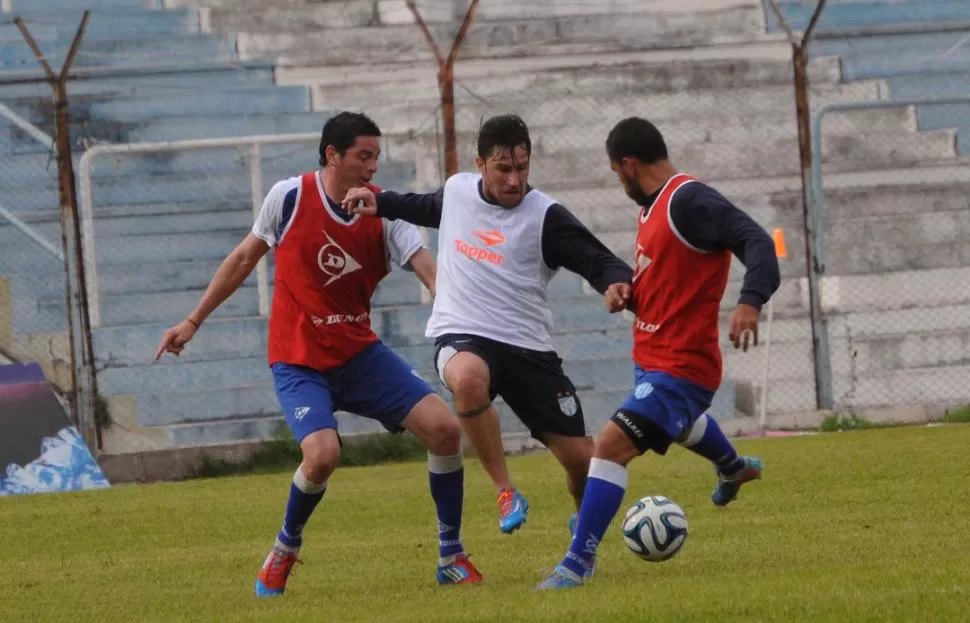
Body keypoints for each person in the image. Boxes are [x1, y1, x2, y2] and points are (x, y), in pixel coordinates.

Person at [154, 111, 482, 596]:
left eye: (377, 157)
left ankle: (450, 556)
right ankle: (285, 549)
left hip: (359, 356)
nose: (373, 167)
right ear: (333, 155)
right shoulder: (288, 197)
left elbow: (428, 271)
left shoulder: (384, 211)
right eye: (363, 157)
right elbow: (244, 258)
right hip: (299, 359)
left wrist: (461, 320)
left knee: (445, 429)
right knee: (324, 454)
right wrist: (193, 320)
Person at [343, 114, 634, 548]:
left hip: (529, 349)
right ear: (481, 164)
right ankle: (504, 491)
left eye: (522, 167)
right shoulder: (459, 190)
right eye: (503, 168)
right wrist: (379, 203)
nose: (514, 179)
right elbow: (425, 206)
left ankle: (583, 532)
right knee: (467, 378)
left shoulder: (545, 216)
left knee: (583, 462)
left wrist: (614, 281)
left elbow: (595, 257)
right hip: (463, 334)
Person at [537, 116, 782, 590]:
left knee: (608, 445)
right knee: (678, 423)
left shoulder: (689, 200)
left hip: (683, 366)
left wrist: (750, 301)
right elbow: (669, 273)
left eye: (616, 173)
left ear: (629, 164)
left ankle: (578, 560)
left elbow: (755, 239)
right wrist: (626, 290)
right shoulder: (654, 207)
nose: (618, 181)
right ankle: (733, 468)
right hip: (652, 357)